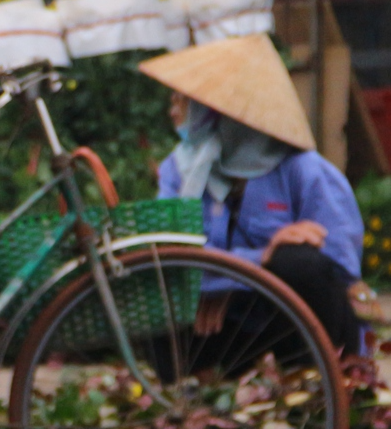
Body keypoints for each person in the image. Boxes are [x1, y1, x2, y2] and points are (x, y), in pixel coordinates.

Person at [138, 34, 372, 357]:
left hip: (296, 324)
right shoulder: (179, 170)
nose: (172, 112)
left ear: (215, 112)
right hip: (229, 324)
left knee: (298, 260)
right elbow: (169, 255)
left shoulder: (304, 170)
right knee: (154, 294)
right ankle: (199, 389)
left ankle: (321, 383)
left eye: (181, 101)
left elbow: (339, 268)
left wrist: (231, 279)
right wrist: (256, 262)